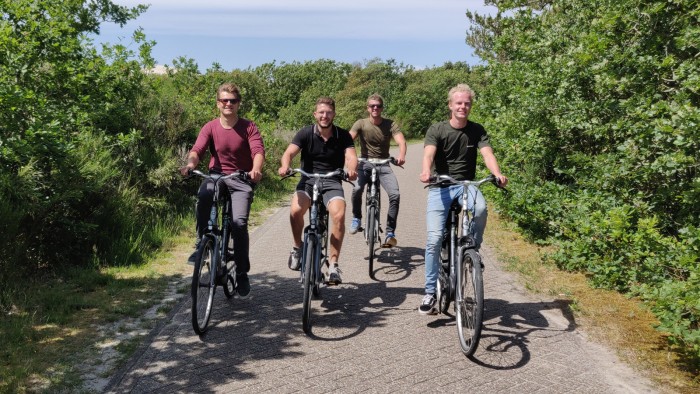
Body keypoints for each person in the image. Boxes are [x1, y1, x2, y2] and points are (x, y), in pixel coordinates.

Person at [418, 84, 508, 314]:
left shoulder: (477, 130)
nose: (463, 107)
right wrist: (426, 171)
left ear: (471, 106)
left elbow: (487, 153)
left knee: (480, 209)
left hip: (466, 185)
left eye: (467, 103)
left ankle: (472, 251)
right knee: (434, 238)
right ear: (450, 105)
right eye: (458, 103)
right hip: (441, 186)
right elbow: (428, 153)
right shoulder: (437, 129)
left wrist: (497, 174)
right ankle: (429, 292)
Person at [180, 82, 265, 299]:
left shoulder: (248, 127)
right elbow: (197, 149)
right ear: (218, 103)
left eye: (233, 101)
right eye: (224, 100)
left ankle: (243, 272)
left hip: (239, 178)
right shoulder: (210, 127)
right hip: (216, 176)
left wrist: (255, 169)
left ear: (238, 104)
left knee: (239, 223)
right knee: (204, 195)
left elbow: (257, 150)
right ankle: (202, 241)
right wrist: (191, 165)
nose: (228, 104)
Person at [278, 97, 358, 285]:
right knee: (296, 211)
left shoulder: (342, 135)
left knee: (339, 215)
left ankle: (333, 264)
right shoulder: (305, 133)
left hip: (332, 180)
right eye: (321, 112)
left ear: (334, 114)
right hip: (308, 179)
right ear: (315, 114)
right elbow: (289, 153)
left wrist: (352, 169)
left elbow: (351, 156)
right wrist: (285, 166)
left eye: (328, 112)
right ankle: (298, 247)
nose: (324, 116)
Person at [348, 94, 407, 247]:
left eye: (378, 106)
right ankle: (357, 217)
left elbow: (401, 140)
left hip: (384, 165)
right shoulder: (361, 123)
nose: (375, 108)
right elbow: (348, 140)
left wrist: (401, 155)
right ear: (367, 108)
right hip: (365, 164)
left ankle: (390, 232)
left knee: (395, 195)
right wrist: (350, 160)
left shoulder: (390, 124)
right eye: (372, 106)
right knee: (357, 189)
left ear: (382, 108)